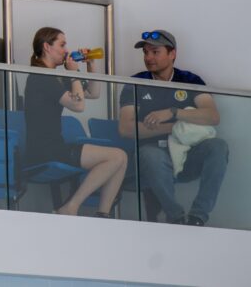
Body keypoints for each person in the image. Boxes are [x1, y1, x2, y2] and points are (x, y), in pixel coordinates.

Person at [119, 30, 228, 226]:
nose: (148, 57)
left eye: (155, 52)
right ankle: (176, 217)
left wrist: (173, 112)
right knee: (151, 155)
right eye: (145, 53)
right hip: (149, 159)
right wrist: (174, 127)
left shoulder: (190, 80)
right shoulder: (134, 82)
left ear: (172, 54)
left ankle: (198, 216)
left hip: (187, 155)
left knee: (218, 146)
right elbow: (126, 128)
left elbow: (213, 116)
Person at [25, 27, 127, 217]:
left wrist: (91, 67)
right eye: (62, 45)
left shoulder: (55, 77)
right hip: (45, 150)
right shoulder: (41, 77)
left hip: (55, 146)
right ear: (47, 47)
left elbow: (93, 93)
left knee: (120, 159)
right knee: (117, 156)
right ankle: (71, 206)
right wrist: (73, 74)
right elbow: (78, 106)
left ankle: (103, 214)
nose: (66, 50)